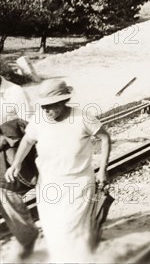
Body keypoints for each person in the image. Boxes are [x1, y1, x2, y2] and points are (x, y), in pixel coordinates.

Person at [5, 79, 111, 262]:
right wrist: (17, 163)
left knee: (72, 229)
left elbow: (105, 138)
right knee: (52, 228)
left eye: (50, 106)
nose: (46, 110)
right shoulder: (39, 120)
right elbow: (28, 140)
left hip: (78, 184)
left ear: (63, 102)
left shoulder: (82, 117)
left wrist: (102, 169)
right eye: (43, 106)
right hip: (47, 182)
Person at [0, 76, 38, 259]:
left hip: (9, 155)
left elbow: (30, 126)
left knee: (9, 196)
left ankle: (29, 241)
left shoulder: (15, 92)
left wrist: (5, 137)